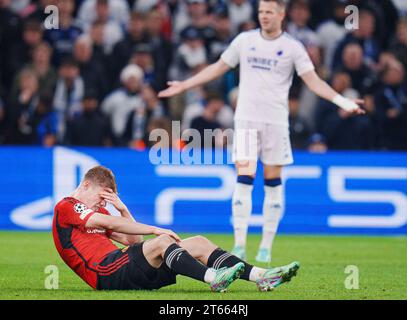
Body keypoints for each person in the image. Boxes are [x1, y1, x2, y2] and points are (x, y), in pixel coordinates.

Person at [158, 0, 365, 263]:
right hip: (246, 120)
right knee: (244, 179)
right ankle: (240, 244)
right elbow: (218, 67)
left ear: (281, 14)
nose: (264, 16)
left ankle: (266, 245)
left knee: (272, 182)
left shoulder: (292, 47)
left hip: (276, 122)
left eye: (269, 12)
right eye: (260, 12)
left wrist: (343, 101)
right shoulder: (244, 41)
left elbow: (313, 81)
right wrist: (185, 85)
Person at [52, 165, 300, 292]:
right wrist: (155, 229)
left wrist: (124, 209)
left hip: (124, 269)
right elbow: (106, 223)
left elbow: (134, 242)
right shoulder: (66, 206)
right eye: (101, 197)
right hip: (104, 273)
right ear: (85, 185)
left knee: (200, 243)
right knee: (162, 242)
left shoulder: (101, 212)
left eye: (106, 200)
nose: (102, 204)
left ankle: (262, 276)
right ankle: (214, 279)